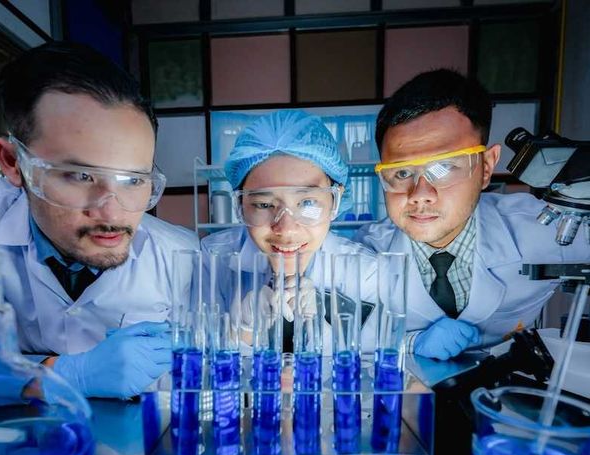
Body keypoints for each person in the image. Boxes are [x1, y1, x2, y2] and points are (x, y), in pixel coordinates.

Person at [0, 42, 199, 398]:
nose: (113, 214)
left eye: (134, 180)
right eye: (80, 176)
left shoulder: (183, 257)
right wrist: (64, 374)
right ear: (12, 162)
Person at [356, 69, 588, 360]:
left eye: (444, 167)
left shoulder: (545, 229)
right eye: (401, 173)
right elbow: (339, 339)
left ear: (486, 167)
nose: (420, 194)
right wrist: (412, 343)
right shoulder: (369, 251)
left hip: (508, 395)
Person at [201, 109, 377, 354]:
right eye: (263, 205)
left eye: (307, 203)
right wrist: (241, 332)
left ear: (336, 201)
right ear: (240, 205)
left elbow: (369, 366)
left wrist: (321, 330)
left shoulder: (364, 270)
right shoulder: (211, 260)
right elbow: (197, 363)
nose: (286, 229)